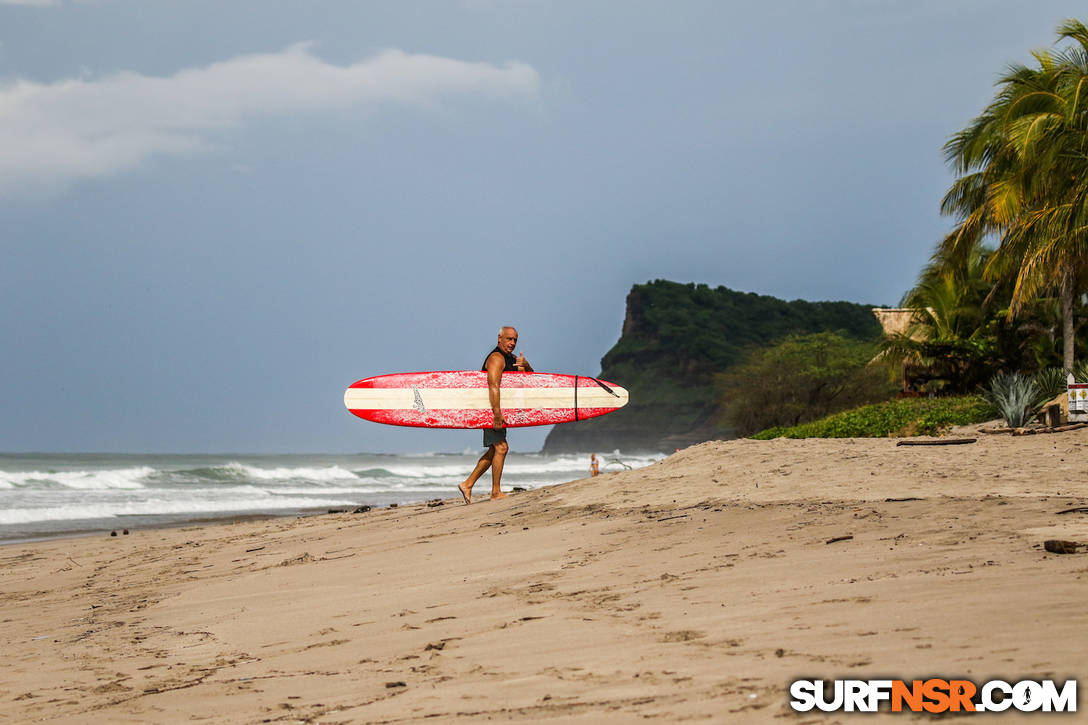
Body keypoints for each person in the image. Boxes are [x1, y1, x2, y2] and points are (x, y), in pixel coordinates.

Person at [458, 326, 532, 504]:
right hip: (492, 410)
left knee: (494, 450)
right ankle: (495, 492)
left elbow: (530, 381)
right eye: (509, 339)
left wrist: (526, 365)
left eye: (515, 339)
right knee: (501, 448)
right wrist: (496, 413)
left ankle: (467, 484)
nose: (512, 343)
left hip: (500, 411)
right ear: (499, 339)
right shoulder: (496, 358)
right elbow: (493, 386)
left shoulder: (512, 359)